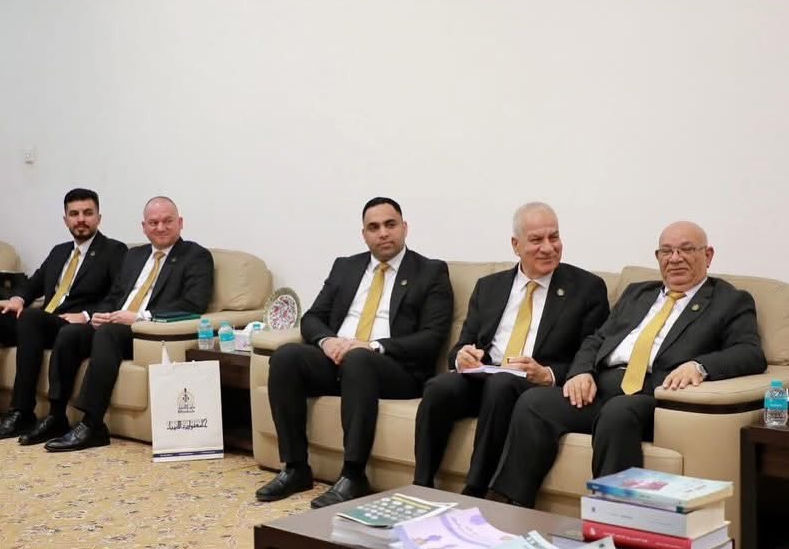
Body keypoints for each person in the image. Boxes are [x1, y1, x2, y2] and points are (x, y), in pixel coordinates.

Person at [489, 221, 767, 507]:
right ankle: (511, 505)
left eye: (686, 250)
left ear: (707, 255)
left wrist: (698, 365)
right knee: (535, 403)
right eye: (667, 251)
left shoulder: (729, 301)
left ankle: (611, 515)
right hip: (603, 387)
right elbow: (596, 339)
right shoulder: (638, 294)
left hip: (654, 395)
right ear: (658, 257)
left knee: (618, 412)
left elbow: (750, 353)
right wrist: (581, 372)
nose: (675, 259)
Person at [256, 197, 454, 508]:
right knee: (285, 357)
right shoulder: (346, 267)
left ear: (405, 228)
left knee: (359, 359)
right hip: (339, 359)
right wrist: (327, 341)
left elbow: (432, 338)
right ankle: (295, 467)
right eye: (373, 227)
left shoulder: (430, 271)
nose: (383, 233)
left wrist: (374, 345)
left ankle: (353, 474)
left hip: (394, 369)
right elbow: (312, 317)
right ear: (364, 235)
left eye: (390, 224)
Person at [413, 202, 609, 495]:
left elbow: (590, 355)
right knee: (439, 387)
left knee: (502, 384)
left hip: (530, 384)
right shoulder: (489, 287)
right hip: (485, 375)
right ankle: (421, 485)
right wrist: (462, 357)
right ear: (516, 245)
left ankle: (476, 490)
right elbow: (462, 344)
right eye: (537, 240)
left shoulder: (587, 288)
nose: (548, 247)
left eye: (554, 237)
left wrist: (548, 374)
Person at [0, 188, 127, 440]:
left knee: (32, 318)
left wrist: (86, 315)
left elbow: (119, 295)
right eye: (74, 214)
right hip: (41, 322)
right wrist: (18, 299)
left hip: (71, 327)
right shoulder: (60, 251)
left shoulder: (114, 251)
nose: (81, 219)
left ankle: (21, 411)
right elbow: (34, 283)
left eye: (87, 213)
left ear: (99, 217)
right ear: (65, 219)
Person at [43, 196, 214, 452]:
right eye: (153, 223)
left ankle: (92, 425)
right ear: (144, 227)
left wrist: (141, 316)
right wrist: (98, 314)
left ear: (180, 223)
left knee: (108, 334)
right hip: (116, 323)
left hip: (147, 332)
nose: (160, 228)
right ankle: (56, 415)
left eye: (167, 221)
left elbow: (193, 304)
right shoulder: (134, 255)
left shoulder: (196, 256)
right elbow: (114, 297)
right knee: (70, 334)